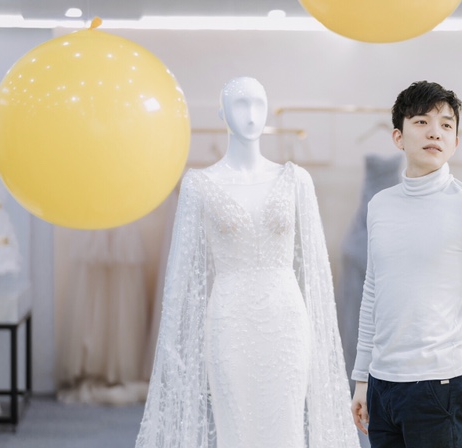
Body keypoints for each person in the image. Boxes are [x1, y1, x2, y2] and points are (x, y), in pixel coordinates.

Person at [135, 77, 360, 448]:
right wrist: (173, 347)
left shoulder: (296, 180)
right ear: (222, 114)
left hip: (286, 321)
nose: (251, 114)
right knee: (236, 425)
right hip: (229, 320)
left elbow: (318, 273)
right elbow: (179, 278)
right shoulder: (198, 185)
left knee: (286, 424)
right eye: (240, 104)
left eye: (259, 103)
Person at [350, 80, 462, 448]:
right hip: (382, 387)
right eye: (421, 122)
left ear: (456, 142)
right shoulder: (380, 206)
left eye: (446, 125)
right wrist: (362, 377)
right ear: (398, 137)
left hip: (442, 389)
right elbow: (373, 292)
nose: (435, 132)